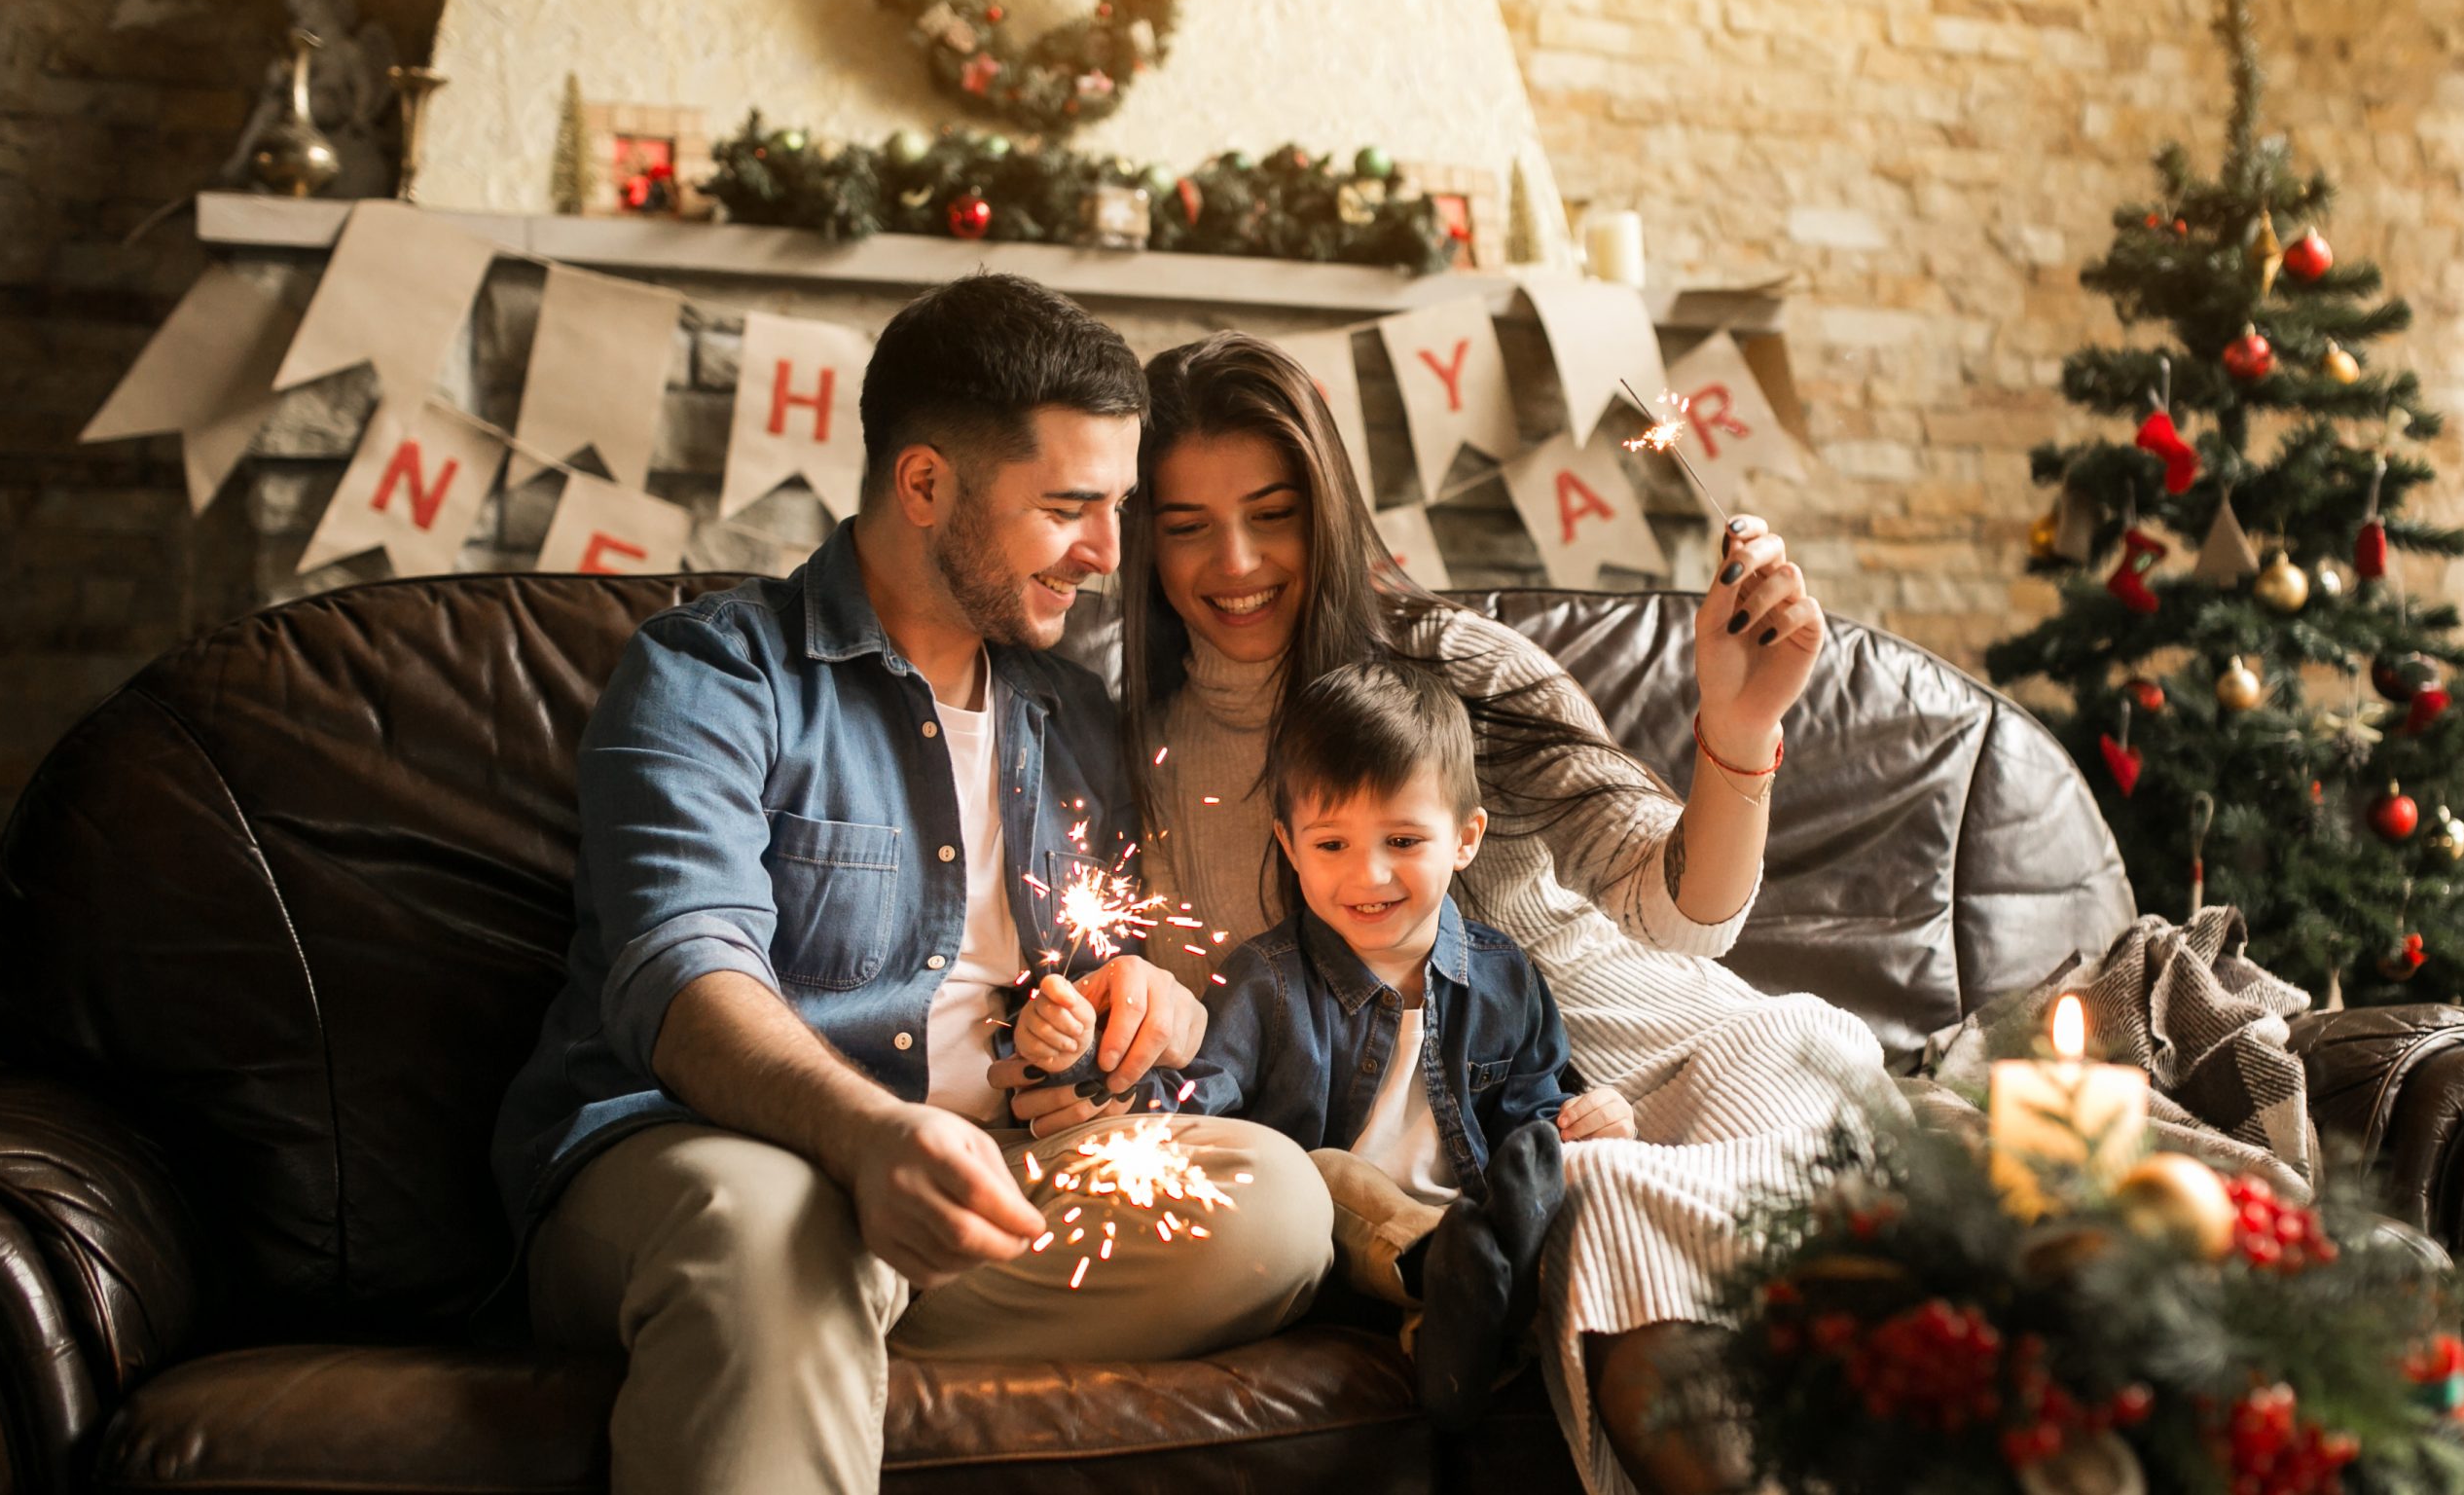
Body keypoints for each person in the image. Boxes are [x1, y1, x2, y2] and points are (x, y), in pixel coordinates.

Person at [489, 278, 1333, 1495]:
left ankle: (820, 1316)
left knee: (1273, 1203)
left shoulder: (1075, 714)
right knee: (767, 1224)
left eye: (1116, 507)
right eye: (1067, 507)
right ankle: (801, 1288)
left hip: (980, 1176)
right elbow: (681, 973)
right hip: (705, 1157)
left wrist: (1141, 1013)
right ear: (926, 484)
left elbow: (1096, 973)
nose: (1108, 553)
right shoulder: (715, 673)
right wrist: (871, 1138)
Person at [1101, 331, 1894, 1495]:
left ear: (1327, 508)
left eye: (1272, 511)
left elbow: (1685, 916)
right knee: (1581, 1215)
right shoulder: (1147, 757)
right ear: (1140, 543)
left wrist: (1735, 728)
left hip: (1689, 1061)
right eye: (1185, 526)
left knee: (1628, 1205)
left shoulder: (1460, 667)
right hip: (1511, 1171)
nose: (1235, 559)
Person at [1015, 659, 1638, 1426]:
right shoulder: (1265, 980)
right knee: (1322, 1174)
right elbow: (1195, 1104)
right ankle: (1447, 1274)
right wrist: (1092, 1069)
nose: (1368, 874)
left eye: (1404, 839)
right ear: (1289, 842)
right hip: (1330, 1252)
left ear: (1466, 839)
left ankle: (1467, 1329)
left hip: (1474, 1239)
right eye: (1332, 844)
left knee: (1577, 1189)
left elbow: (1533, 1120)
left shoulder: (1507, 978)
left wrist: (1588, 1118)